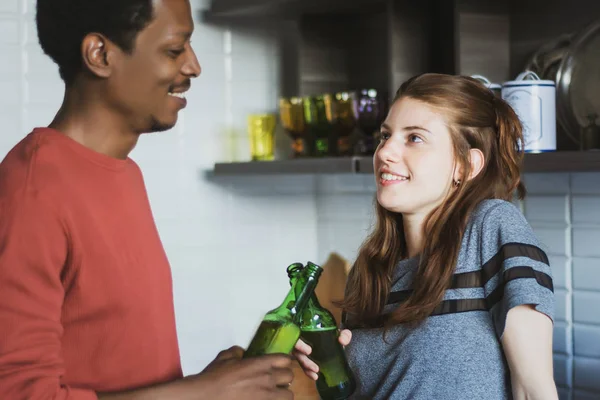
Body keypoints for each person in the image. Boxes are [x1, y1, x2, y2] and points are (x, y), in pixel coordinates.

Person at [0, 0, 319, 398]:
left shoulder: (124, 173)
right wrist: (204, 393)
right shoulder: (32, 187)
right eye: (174, 50)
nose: (193, 67)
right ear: (100, 54)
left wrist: (203, 384)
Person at [296, 74, 557, 399]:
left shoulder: (491, 228)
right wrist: (327, 367)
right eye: (385, 135)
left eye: (414, 138)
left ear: (465, 165)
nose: (385, 152)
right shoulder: (371, 268)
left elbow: (533, 390)